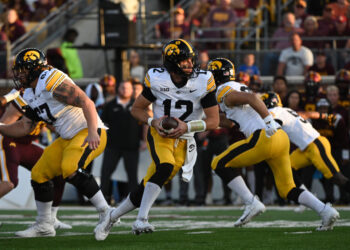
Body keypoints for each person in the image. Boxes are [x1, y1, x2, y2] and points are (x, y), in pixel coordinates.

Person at [98, 39, 219, 240]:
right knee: (164, 166)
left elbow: (214, 121)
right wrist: (153, 122)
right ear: (172, 64)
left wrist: (187, 126)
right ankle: (141, 220)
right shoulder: (157, 79)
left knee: (148, 185)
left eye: (190, 59)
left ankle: (112, 215)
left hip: (185, 139)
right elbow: (136, 109)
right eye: (184, 61)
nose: (190, 64)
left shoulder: (202, 81)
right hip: (160, 134)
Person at [208, 57, 339, 230]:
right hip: (279, 138)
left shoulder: (223, 90)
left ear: (216, 75)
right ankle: (325, 211)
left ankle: (251, 202)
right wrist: (203, 120)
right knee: (287, 189)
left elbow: (252, 98)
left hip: (263, 136)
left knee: (218, 163)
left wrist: (268, 121)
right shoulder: (233, 88)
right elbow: (231, 122)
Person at [0, 48, 110, 240]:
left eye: (23, 70)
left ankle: (106, 211)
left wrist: (93, 131)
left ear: (35, 68)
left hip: (87, 130)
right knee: (39, 174)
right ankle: (44, 224)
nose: (19, 75)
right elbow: (25, 127)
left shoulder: (48, 80)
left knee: (70, 167)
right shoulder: (29, 93)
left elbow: (86, 102)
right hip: (67, 138)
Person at [262, 92, 350, 206]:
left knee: (337, 178)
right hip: (305, 149)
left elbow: (271, 129)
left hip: (315, 144)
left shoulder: (275, 112)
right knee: (287, 167)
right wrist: (325, 116)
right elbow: (307, 114)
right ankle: (307, 197)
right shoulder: (286, 110)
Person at [0, 89, 71, 230]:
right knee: (9, 183)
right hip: (8, 141)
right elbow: (3, 125)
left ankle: (51, 219)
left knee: (58, 172)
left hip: (25, 145)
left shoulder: (48, 101)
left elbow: (57, 126)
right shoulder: (25, 98)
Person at [100, 79, 142, 204]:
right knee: (106, 173)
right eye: (123, 88)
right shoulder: (110, 105)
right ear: (118, 89)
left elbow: (145, 123)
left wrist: (144, 140)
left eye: (128, 88)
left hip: (132, 146)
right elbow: (102, 124)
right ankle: (103, 200)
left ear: (132, 90)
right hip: (113, 145)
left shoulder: (137, 105)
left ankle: (134, 201)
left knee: (132, 175)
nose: (125, 90)